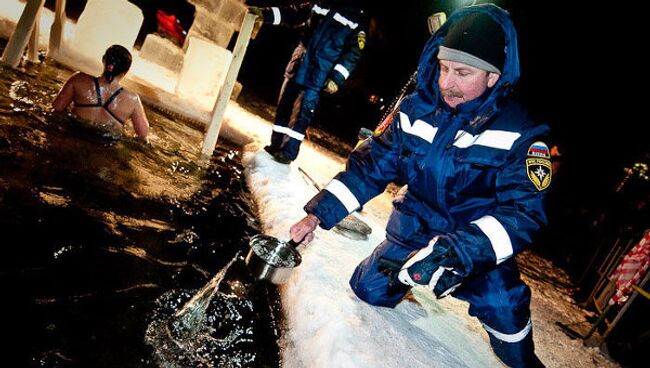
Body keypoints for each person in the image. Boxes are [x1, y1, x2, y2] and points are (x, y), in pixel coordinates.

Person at [289, 4, 551, 367]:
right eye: (444, 68)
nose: (447, 83)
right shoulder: (415, 109)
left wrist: (457, 252)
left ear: (494, 76)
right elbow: (371, 167)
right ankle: (410, 281)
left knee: (504, 310)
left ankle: (523, 360)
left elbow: (523, 214)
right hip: (417, 225)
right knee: (368, 288)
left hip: (474, 248)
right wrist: (317, 215)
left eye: (463, 72)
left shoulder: (522, 133)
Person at [249, 1, 368, 164]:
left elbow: (352, 54)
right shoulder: (320, 4)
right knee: (284, 105)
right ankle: (275, 144)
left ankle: (288, 152)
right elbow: (294, 14)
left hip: (318, 73)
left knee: (302, 114)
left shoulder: (356, 21)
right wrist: (266, 14)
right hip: (298, 64)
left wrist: (336, 78)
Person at [52, 45, 149, 140]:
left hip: (72, 135)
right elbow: (143, 134)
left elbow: (57, 108)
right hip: (105, 145)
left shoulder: (78, 79)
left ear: (104, 60)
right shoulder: (133, 100)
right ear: (126, 71)